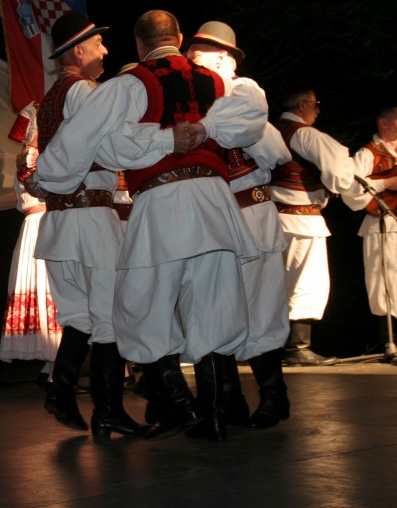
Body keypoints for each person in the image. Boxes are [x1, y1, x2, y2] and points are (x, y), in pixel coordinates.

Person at [25, 9, 267, 440]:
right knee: (211, 304)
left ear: (139, 45)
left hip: (163, 201)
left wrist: (48, 176)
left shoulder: (128, 84)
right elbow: (249, 122)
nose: (105, 48)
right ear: (179, 36)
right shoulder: (218, 81)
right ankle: (208, 414)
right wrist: (200, 129)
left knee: (138, 307)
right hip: (214, 202)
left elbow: (104, 142)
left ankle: (174, 404)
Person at [22, 12, 146, 440]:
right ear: (79, 49)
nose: (106, 50)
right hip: (92, 217)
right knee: (109, 315)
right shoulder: (86, 93)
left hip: (59, 222)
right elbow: (112, 149)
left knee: (78, 314)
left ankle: (61, 390)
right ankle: (108, 409)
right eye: (98, 44)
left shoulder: (49, 99)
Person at [184, 21, 292, 432]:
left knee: (262, 307)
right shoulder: (194, 100)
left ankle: (273, 395)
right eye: (190, 58)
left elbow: (265, 144)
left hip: (251, 211)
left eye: (200, 57)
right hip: (216, 218)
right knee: (219, 306)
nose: (192, 65)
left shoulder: (243, 90)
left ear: (225, 60)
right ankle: (229, 399)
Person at [270, 87, 358, 366]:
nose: (318, 110)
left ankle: (271, 347)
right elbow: (339, 170)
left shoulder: (271, 130)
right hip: (301, 218)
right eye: (315, 104)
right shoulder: (304, 134)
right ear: (302, 105)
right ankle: (297, 346)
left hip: (271, 217)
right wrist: (336, 187)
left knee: (275, 284)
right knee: (307, 281)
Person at [0, 102, 62, 385]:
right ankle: (54, 362)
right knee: (48, 286)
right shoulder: (32, 158)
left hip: (37, 225)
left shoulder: (30, 157)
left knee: (46, 288)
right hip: (43, 224)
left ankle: (53, 363)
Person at [341, 105, 397, 351]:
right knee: (385, 282)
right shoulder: (367, 153)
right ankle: (390, 341)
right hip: (383, 223)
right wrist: (387, 182)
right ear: (384, 123)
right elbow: (351, 190)